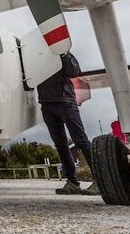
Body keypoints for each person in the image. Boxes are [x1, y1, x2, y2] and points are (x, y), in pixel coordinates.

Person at [38, 51, 99, 196]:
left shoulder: (61, 51)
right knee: (60, 144)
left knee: (81, 141)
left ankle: (100, 181)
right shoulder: (36, 56)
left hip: (66, 102)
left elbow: (74, 72)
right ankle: (72, 182)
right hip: (47, 104)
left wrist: (64, 54)